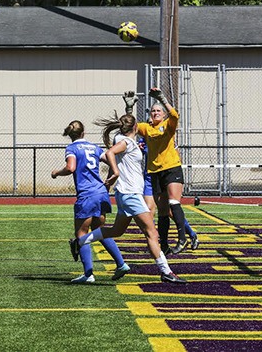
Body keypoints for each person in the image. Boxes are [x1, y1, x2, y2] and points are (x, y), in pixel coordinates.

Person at [69, 112, 186, 284]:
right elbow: (110, 153)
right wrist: (115, 173)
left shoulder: (123, 140)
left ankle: (80, 241)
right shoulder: (127, 142)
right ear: (135, 127)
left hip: (127, 194)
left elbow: (116, 150)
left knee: (116, 231)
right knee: (151, 232)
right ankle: (166, 271)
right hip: (131, 194)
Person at [51, 120, 130, 283]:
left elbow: (71, 167)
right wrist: (110, 178)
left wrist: (56, 173)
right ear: (83, 133)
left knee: (81, 234)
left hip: (87, 195)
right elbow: (111, 160)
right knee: (100, 230)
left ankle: (88, 274)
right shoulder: (94, 147)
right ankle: (121, 264)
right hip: (101, 192)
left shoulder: (72, 148)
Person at [123, 91, 198, 253]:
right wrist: (129, 108)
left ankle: (183, 238)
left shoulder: (168, 125)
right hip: (154, 172)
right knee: (162, 211)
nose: (156, 113)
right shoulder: (147, 128)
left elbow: (175, 114)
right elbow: (129, 126)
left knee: (173, 202)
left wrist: (161, 99)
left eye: (159, 111)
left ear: (163, 115)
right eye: (153, 111)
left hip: (171, 168)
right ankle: (163, 245)